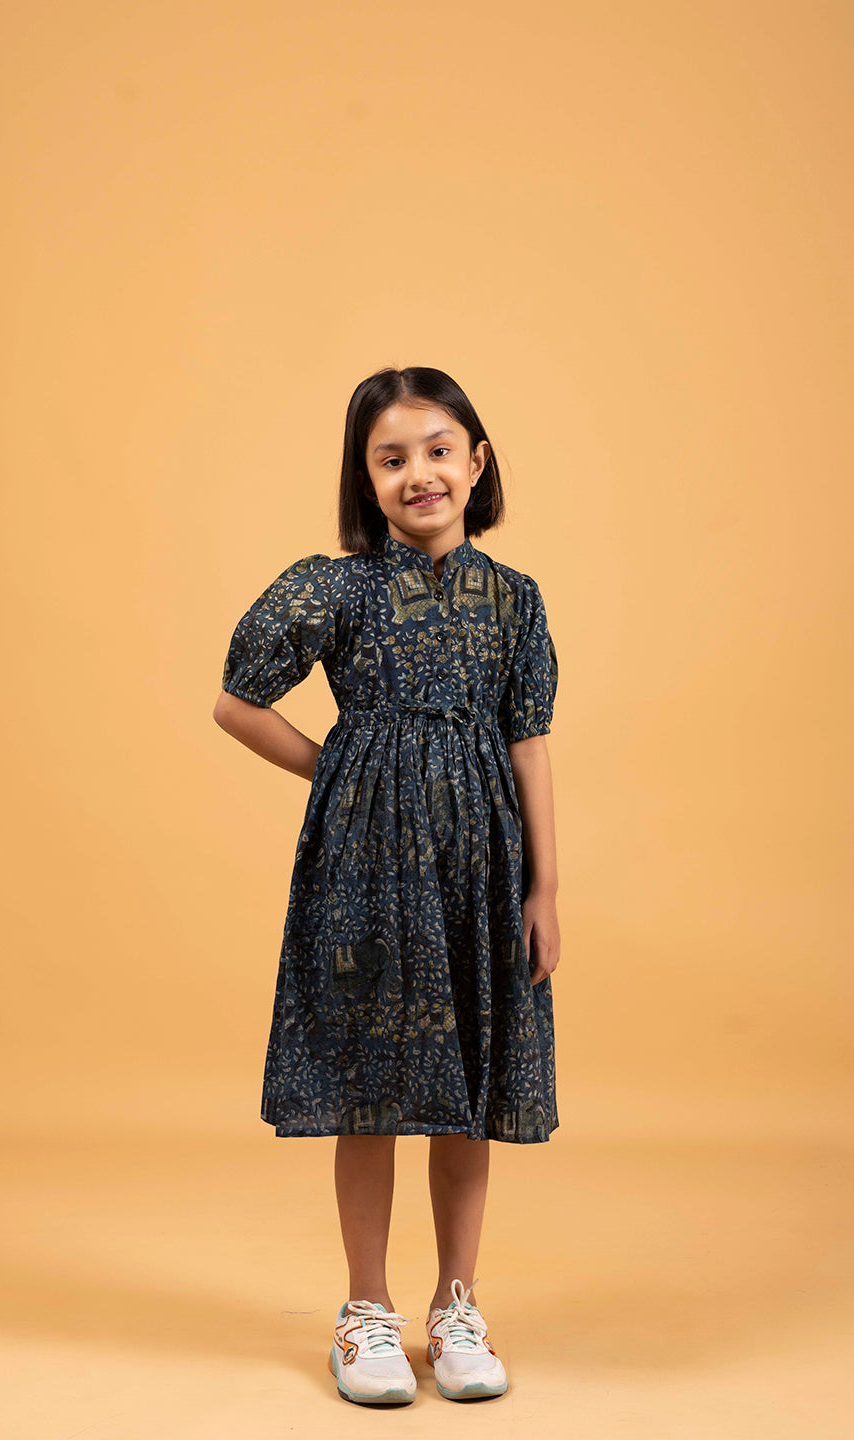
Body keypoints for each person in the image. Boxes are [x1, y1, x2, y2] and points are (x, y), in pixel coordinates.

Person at [213, 365, 561, 1405]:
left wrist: (545, 890)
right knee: (368, 1083)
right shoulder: (335, 588)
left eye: (438, 450)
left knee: (467, 1090)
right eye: (392, 458)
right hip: (363, 870)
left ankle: (457, 1307)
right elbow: (237, 702)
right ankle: (366, 1309)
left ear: (477, 461)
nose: (420, 474)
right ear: (365, 479)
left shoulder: (514, 600)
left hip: (481, 869)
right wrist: (342, 767)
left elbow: (529, 743)